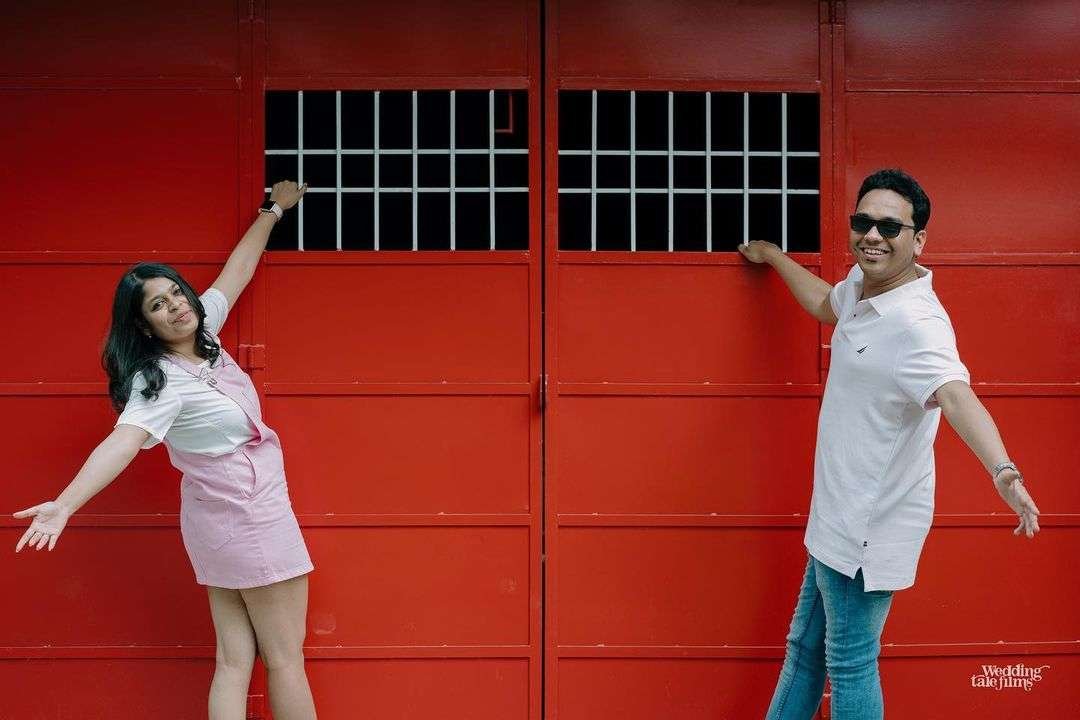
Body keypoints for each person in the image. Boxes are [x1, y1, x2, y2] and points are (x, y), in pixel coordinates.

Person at [738, 168, 1041, 720]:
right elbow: (826, 305)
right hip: (835, 514)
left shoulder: (917, 325)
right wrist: (775, 256)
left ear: (918, 240)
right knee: (805, 650)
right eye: (863, 222)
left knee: (850, 662)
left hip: (868, 529)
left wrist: (1004, 470)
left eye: (890, 227)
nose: (872, 235)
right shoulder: (862, 285)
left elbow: (956, 396)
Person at [13, 181, 318, 720]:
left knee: (233, 660)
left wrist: (274, 209)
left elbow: (238, 270)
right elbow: (123, 441)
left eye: (177, 293)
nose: (176, 306)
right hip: (253, 518)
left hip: (216, 523)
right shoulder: (160, 381)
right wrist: (65, 504)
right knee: (286, 660)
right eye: (159, 304)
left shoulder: (206, 336)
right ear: (143, 324)